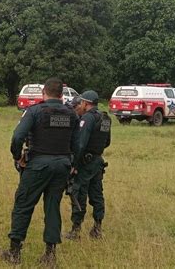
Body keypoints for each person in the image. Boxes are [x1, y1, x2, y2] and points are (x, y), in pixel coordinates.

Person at [2, 78, 79, 267]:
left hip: (38, 163)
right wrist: (72, 163)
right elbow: (77, 144)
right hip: (62, 165)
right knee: (53, 207)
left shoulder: (35, 111)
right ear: (62, 95)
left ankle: (14, 252)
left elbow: (18, 136)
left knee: (23, 204)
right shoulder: (71, 114)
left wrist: (17, 156)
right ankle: (50, 255)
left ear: (44, 92)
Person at [65, 90, 111, 240]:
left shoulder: (87, 118)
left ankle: (75, 230)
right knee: (97, 194)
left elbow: (80, 144)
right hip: (98, 161)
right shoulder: (105, 118)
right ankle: (97, 227)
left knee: (79, 194)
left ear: (85, 103)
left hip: (85, 162)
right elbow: (108, 142)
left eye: (82, 102)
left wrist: (74, 164)